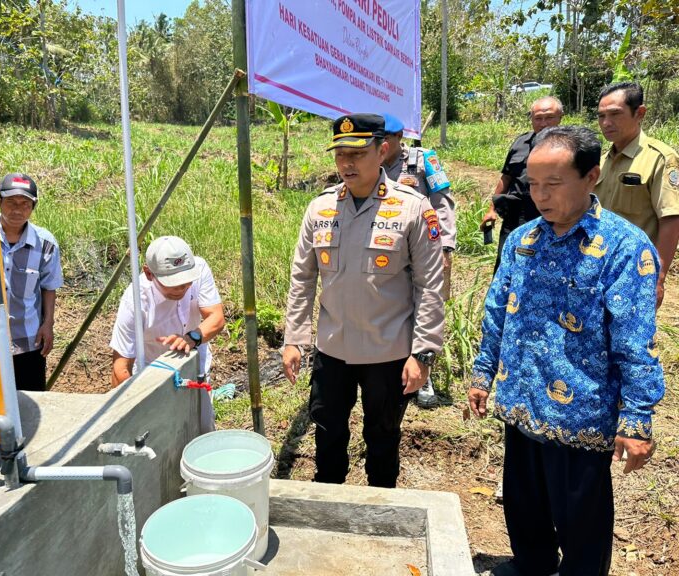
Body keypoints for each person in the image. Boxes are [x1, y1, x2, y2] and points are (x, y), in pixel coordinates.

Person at [468, 126, 664, 576]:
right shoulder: (522, 241)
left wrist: (637, 419)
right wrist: (483, 375)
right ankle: (532, 565)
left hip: (581, 417)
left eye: (553, 184)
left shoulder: (624, 247)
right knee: (524, 507)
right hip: (520, 402)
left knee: (582, 526)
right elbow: (497, 311)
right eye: (533, 184)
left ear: (591, 176)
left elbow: (635, 341)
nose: (539, 196)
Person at [282, 113, 445, 488]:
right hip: (333, 349)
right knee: (327, 433)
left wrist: (423, 353)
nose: (346, 163)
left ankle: (382, 503)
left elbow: (430, 285)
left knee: (383, 437)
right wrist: (294, 339)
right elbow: (303, 278)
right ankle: (329, 502)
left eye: (357, 153)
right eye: (340, 154)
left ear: (382, 150)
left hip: (387, 352)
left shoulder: (412, 208)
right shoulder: (320, 208)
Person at [110, 236, 225, 432]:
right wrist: (133, 412)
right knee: (160, 434)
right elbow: (120, 367)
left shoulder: (200, 268)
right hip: (152, 380)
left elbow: (216, 317)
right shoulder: (135, 302)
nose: (182, 287)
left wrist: (191, 338)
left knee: (204, 427)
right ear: (149, 273)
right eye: (172, 283)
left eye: (186, 281)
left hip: (195, 369)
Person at [382, 113, 455, 407]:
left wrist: (445, 247)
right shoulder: (370, 161)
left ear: (399, 137)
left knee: (424, 306)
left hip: (423, 249)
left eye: (386, 139)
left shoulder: (423, 160)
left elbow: (443, 204)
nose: (380, 145)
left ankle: (425, 374)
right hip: (387, 251)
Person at [596, 81, 679, 307]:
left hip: (636, 271)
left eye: (615, 114)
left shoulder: (660, 159)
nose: (606, 123)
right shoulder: (601, 162)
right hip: (598, 267)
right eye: (601, 116)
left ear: (639, 113)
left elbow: (671, 219)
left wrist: (658, 277)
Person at [480, 96, 564, 270]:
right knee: (506, 263)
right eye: (538, 118)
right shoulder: (521, 142)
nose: (543, 123)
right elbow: (506, 177)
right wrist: (491, 209)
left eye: (549, 117)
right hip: (515, 216)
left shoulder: (570, 148)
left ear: (560, 117)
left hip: (550, 218)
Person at [0, 173, 63, 392]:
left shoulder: (45, 243)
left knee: (31, 399)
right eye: (11, 202)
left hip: (28, 341)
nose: (17, 210)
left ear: (33, 206)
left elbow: (49, 286)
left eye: (25, 204)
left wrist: (48, 324)